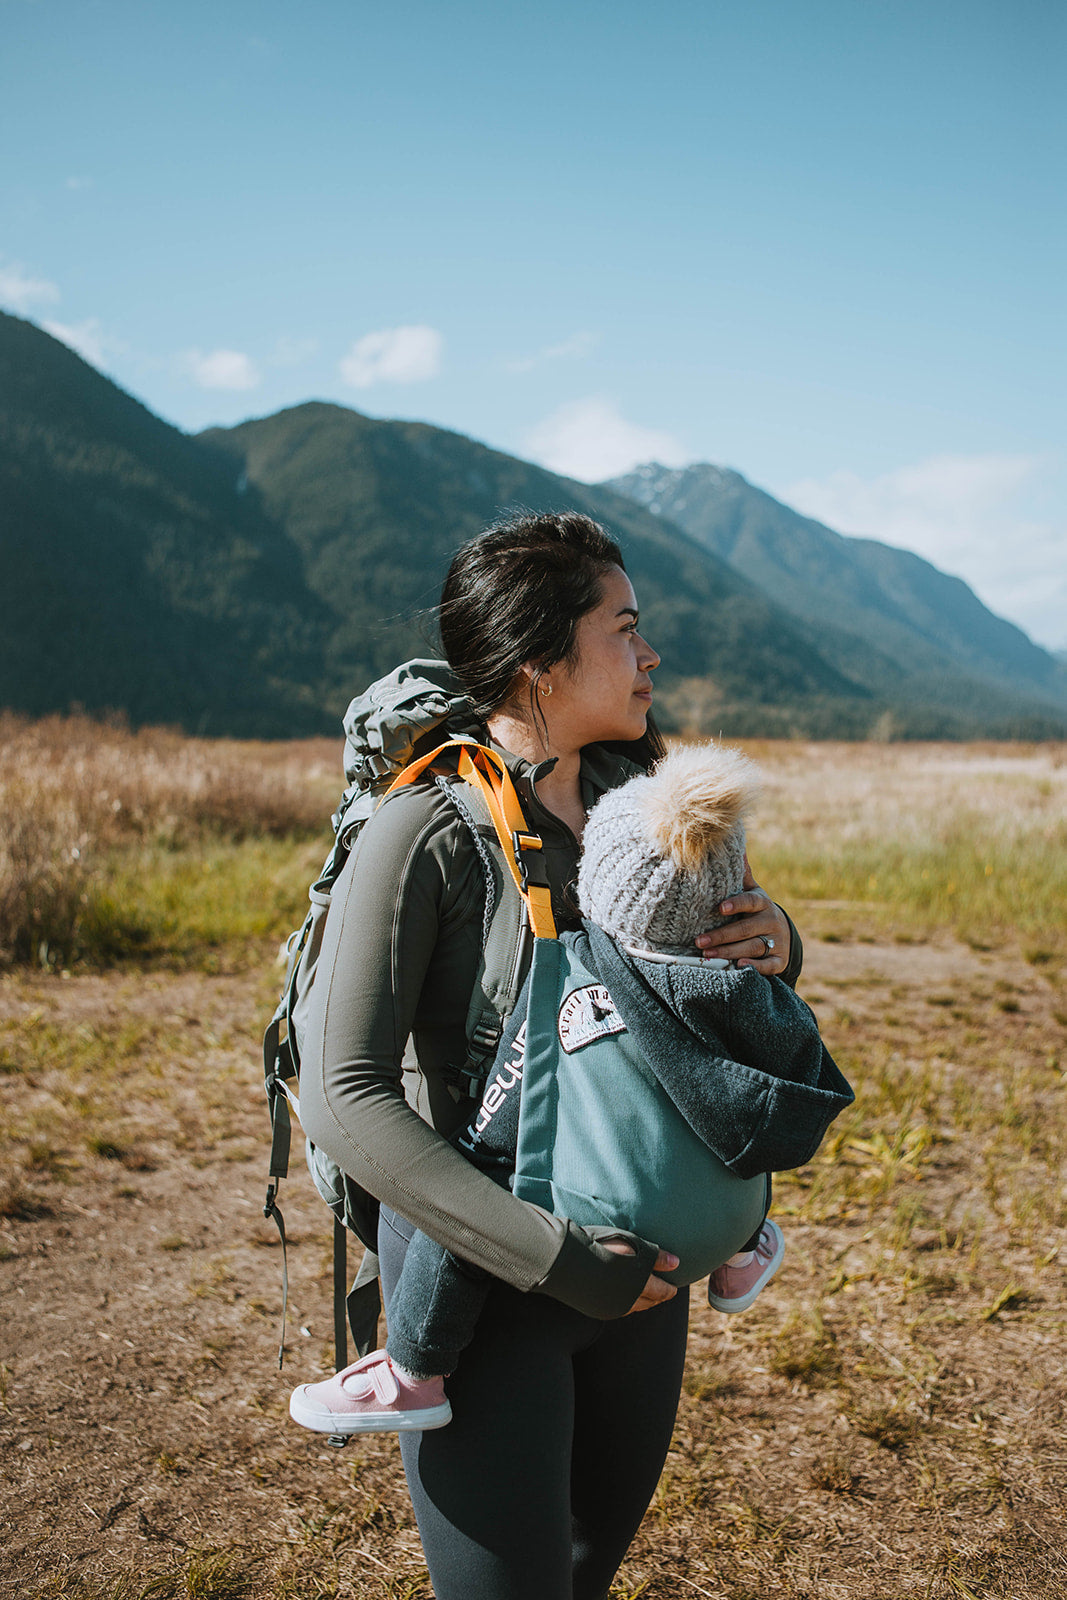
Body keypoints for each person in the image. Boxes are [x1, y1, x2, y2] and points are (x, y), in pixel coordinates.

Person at [297, 512, 803, 1600]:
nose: (649, 653)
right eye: (623, 628)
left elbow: (696, 1001)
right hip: (491, 1301)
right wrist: (557, 1259)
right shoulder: (424, 830)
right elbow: (342, 1095)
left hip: (645, 1284)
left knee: (584, 1572)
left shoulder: (645, 810)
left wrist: (772, 943)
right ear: (539, 661)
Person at [290, 742, 852, 1439]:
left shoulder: (577, 971)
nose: (649, 675)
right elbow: (787, 1075)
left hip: (577, 1241)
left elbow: (504, 1109)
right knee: (733, 1107)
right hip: (709, 1235)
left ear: (595, 887)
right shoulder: (736, 986)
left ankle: (413, 1373)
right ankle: (745, 1251)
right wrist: (775, 953)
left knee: (477, 1159)